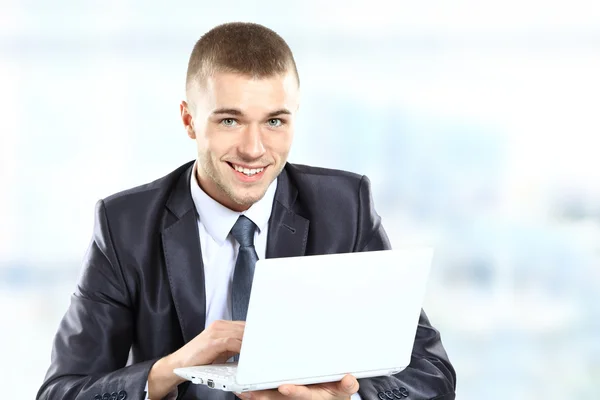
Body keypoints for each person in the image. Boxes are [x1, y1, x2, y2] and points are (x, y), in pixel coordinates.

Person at [36, 22, 456, 400]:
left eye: (275, 121)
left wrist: (343, 398)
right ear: (189, 120)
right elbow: (60, 392)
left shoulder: (345, 207)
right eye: (230, 121)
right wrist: (170, 370)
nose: (254, 149)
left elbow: (431, 375)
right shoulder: (125, 224)